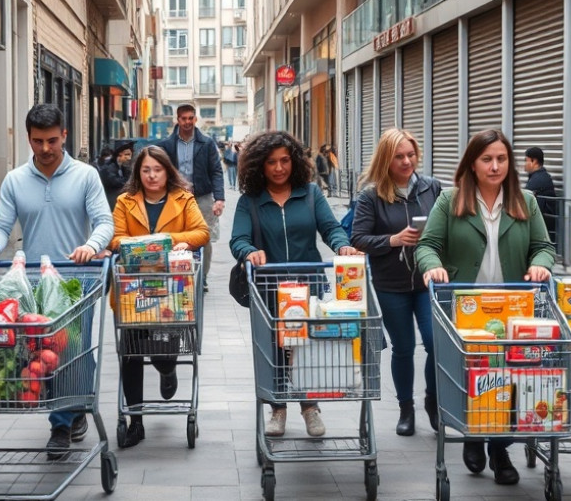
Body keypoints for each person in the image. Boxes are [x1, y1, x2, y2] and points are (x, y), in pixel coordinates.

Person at [414, 129, 555, 485]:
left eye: (502, 159)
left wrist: (541, 263)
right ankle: (474, 436)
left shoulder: (526, 201)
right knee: (474, 376)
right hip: (465, 310)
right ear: (472, 164)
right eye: (487, 159)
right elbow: (427, 244)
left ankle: (500, 447)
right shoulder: (450, 200)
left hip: (515, 311)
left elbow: (544, 246)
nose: (495, 166)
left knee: (511, 379)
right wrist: (432, 265)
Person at [0, 103, 114, 460]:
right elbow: (1, 224)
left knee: (71, 350)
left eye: (52, 140)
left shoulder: (85, 175)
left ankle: (61, 425)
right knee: (50, 353)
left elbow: (104, 222)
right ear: (29, 139)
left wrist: (91, 245)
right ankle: (77, 403)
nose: (46, 149)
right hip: (34, 284)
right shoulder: (15, 180)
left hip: (76, 282)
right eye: (38, 141)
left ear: (65, 135)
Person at [229, 131, 362, 438]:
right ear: (259, 166)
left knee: (305, 348)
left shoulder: (311, 194)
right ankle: (277, 408)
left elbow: (331, 229)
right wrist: (249, 252)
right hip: (268, 290)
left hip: (308, 287)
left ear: (295, 161)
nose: (279, 168)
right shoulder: (250, 202)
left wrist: (342, 247)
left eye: (285, 161)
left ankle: (309, 406)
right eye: (271, 162)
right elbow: (238, 238)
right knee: (275, 350)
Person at [108, 145, 210, 448]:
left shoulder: (183, 199)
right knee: (131, 352)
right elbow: (114, 238)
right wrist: (143, 245)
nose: (152, 175)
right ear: (138, 173)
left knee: (163, 352)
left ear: (168, 171)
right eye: (146, 170)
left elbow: (201, 233)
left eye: (158, 169)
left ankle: (167, 371)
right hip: (133, 290)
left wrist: (167, 241)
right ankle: (135, 421)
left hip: (170, 292)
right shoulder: (125, 202)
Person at [350, 128, 442, 436]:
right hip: (391, 284)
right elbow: (358, 238)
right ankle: (406, 407)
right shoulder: (371, 195)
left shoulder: (432, 188)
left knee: (435, 343)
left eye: (411, 155)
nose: (407, 161)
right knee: (403, 348)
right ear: (386, 160)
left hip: (429, 282)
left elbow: (448, 228)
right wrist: (393, 239)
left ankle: (432, 399)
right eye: (399, 156)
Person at [158, 103, 225, 292]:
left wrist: (219, 198)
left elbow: (217, 171)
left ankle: (202, 276)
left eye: (190, 118)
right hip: (175, 198)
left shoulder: (207, 143)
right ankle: (178, 273)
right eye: (183, 118)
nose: (187, 122)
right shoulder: (166, 145)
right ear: (177, 120)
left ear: (195, 119)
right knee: (176, 236)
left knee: (204, 237)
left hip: (202, 197)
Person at [523, 147, 558, 244]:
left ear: (534, 161)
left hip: (543, 232)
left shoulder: (538, 180)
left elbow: (527, 205)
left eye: (526, 160)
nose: (524, 164)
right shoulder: (539, 177)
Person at [99, 140, 135, 210]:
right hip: (110, 207)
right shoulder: (108, 169)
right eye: (127, 154)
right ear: (119, 155)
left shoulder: (123, 168)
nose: (129, 158)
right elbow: (118, 183)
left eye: (130, 155)